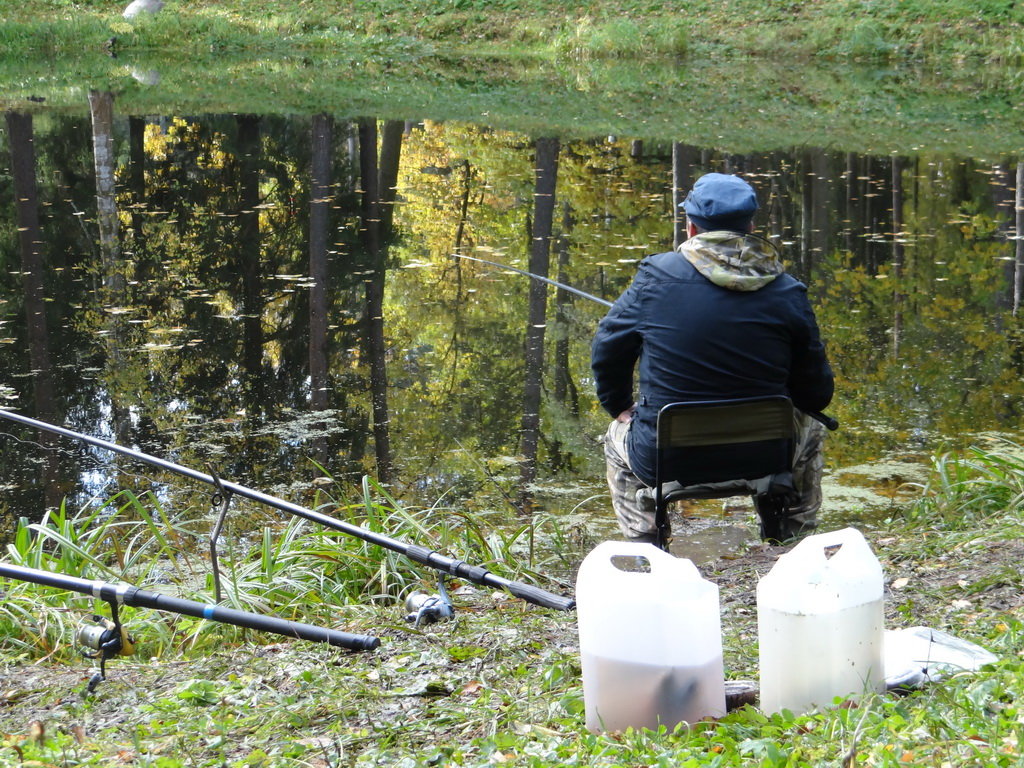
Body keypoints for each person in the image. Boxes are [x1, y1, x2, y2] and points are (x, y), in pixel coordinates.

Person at [591, 172, 834, 544]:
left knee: (614, 437)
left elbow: (608, 344)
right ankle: (790, 539)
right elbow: (817, 395)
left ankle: (646, 544)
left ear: (691, 228)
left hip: (666, 458)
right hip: (766, 455)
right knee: (811, 429)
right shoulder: (787, 290)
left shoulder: (655, 276)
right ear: (750, 226)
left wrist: (618, 405)